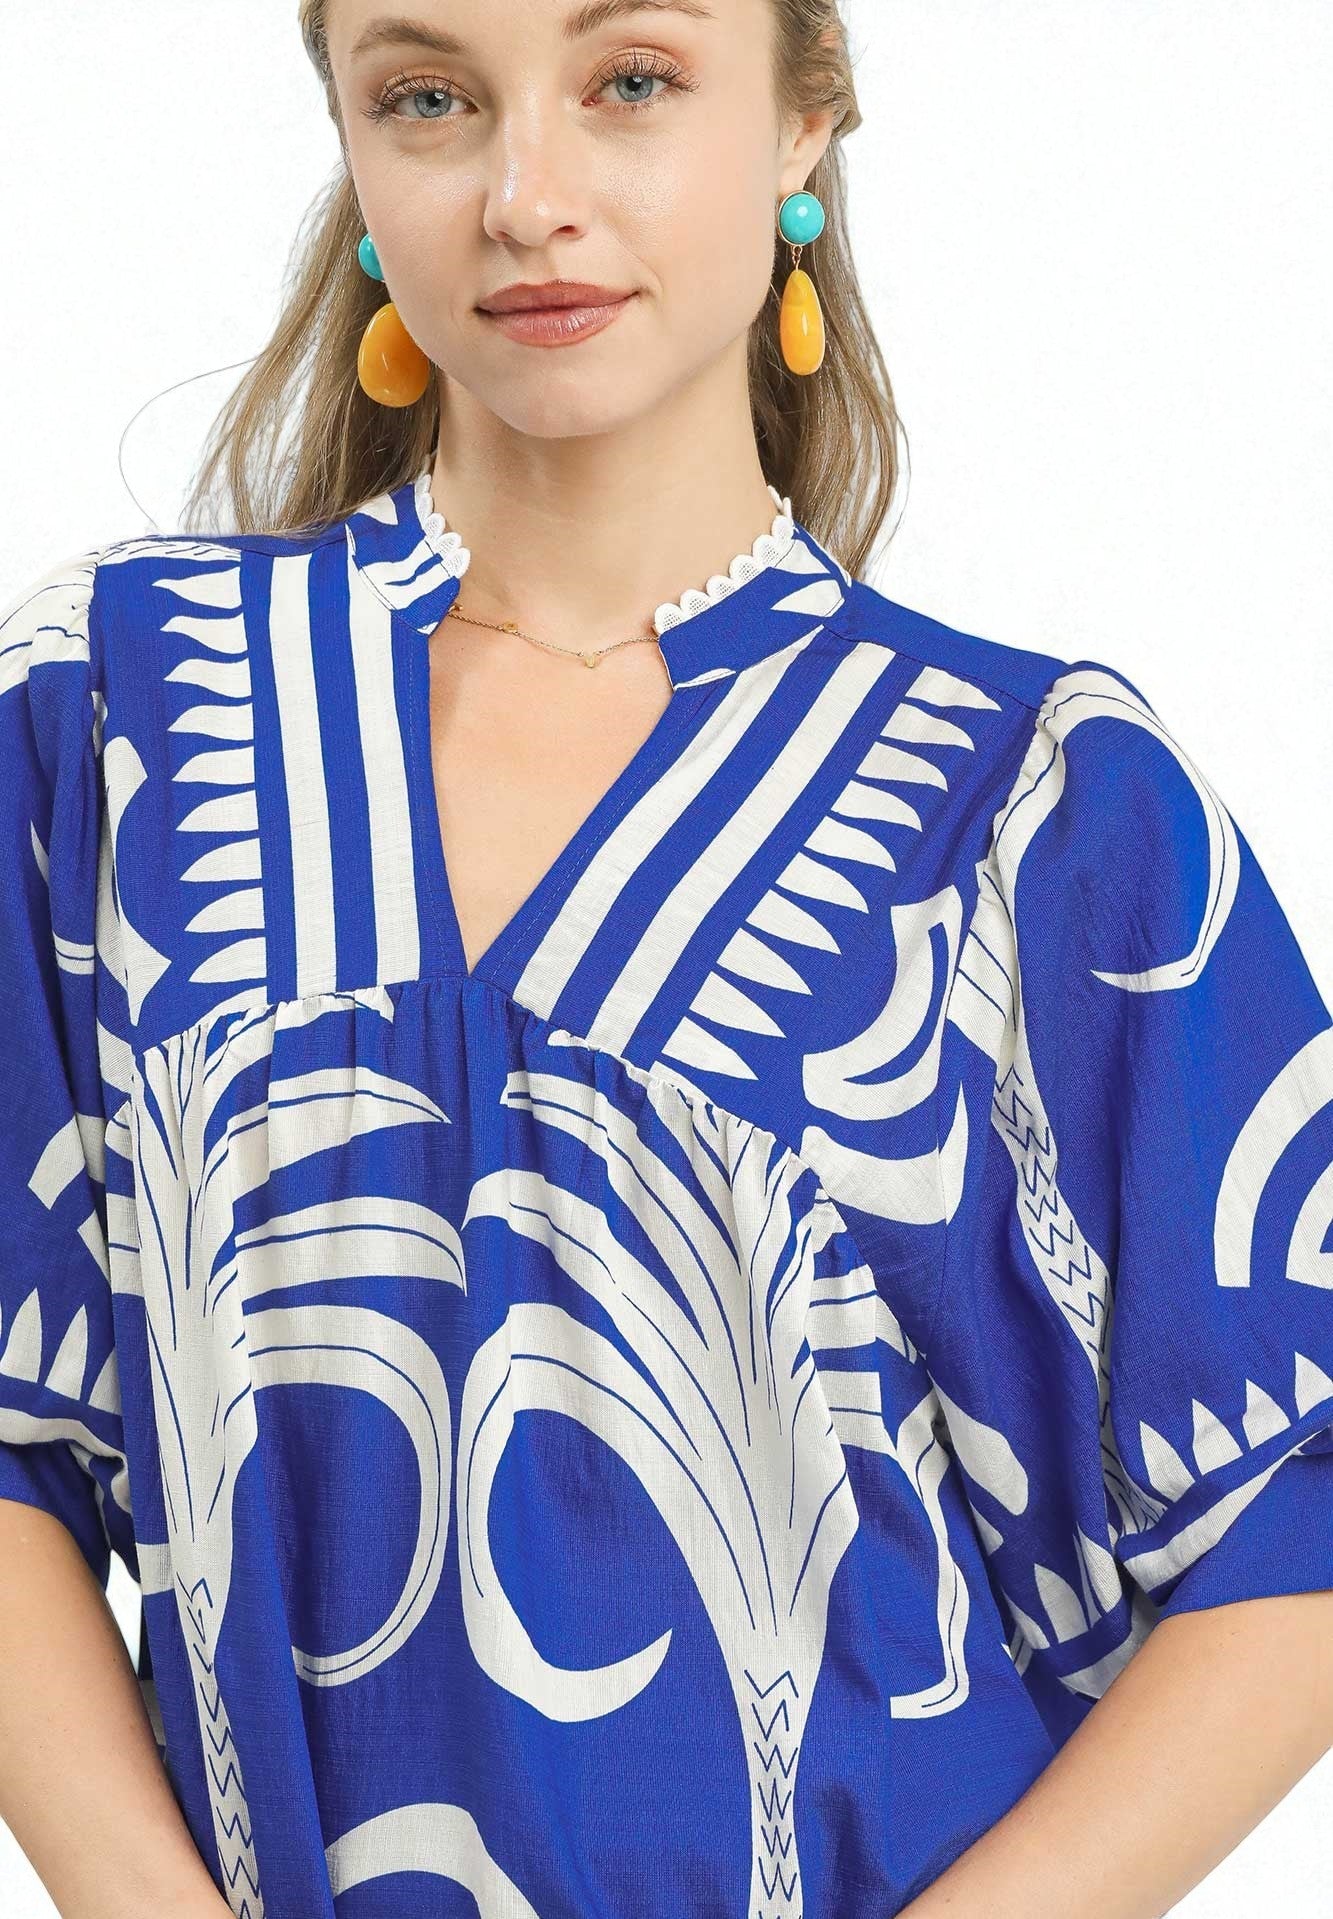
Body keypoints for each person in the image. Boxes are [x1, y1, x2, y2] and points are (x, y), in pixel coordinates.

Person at [1, 2, 1331, 1915]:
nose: (526, 196)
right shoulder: (107, 721)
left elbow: (1291, 1515)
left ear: (803, 126)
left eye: (629, 79)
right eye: (430, 97)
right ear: (357, 155)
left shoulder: (1031, 803)